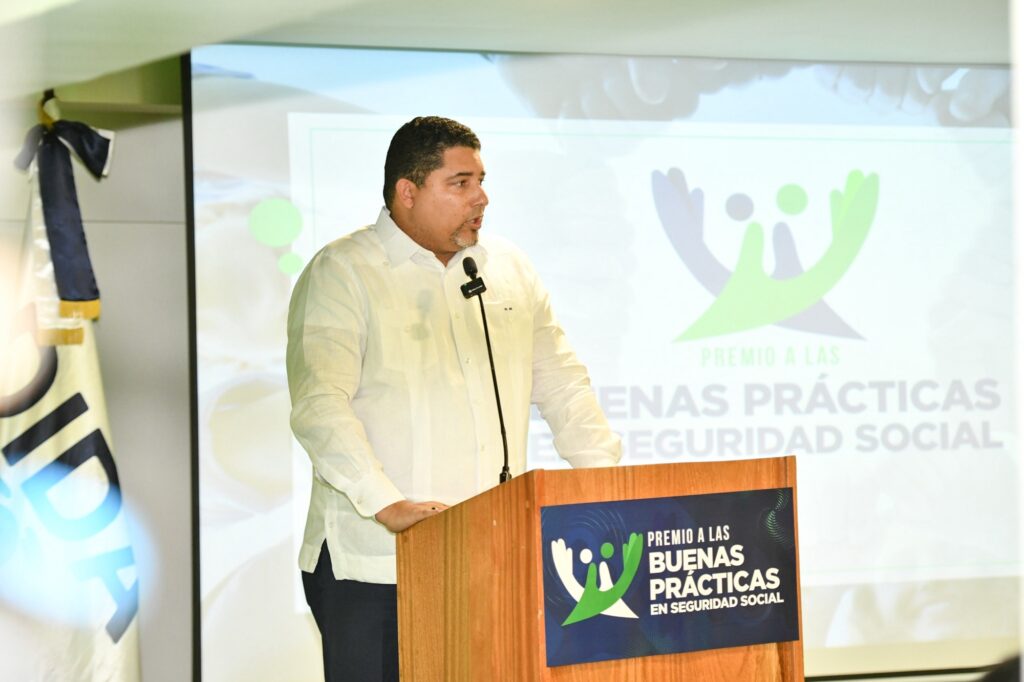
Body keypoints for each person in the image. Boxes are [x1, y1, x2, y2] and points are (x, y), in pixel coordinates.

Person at [286, 115, 621, 682]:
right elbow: (320, 405)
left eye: (481, 181)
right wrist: (385, 502)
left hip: (490, 556)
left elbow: (562, 380)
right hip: (376, 566)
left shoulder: (506, 267)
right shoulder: (343, 272)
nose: (481, 197)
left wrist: (606, 482)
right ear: (408, 192)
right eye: (460, 183)